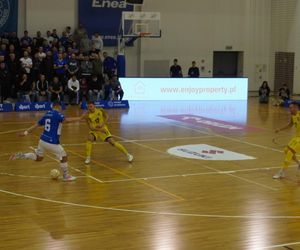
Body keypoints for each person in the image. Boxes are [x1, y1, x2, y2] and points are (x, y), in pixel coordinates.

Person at [9, 102, 85, 181]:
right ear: (58, 106)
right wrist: (80, 118)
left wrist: (25, 133)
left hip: (42, 140)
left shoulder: (47, 114)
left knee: (39, 158)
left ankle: (19, 155)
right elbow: (67, 120)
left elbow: (37, 125)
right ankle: (66, 176)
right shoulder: (57, 114)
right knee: (64, 157)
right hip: (52, 142)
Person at [273, 102, 300, 179]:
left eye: (291, 108)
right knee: (286, 150)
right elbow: (290, 125)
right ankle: (298, 162)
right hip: (297, 137)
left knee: (290, 152)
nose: (289, 109)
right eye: (289, 108)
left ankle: (282, 172)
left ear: (296, 108)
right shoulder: (293, 116)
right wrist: (280, 129)